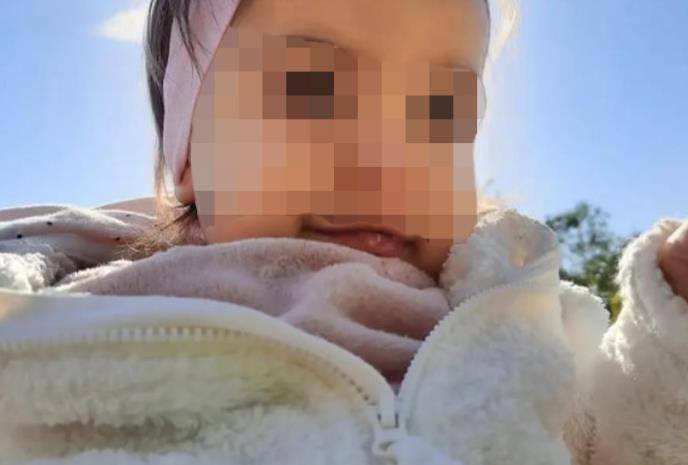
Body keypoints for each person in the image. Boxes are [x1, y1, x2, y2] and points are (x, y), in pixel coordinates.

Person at [0, 0, 686, 463]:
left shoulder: (508, 314)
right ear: (188, 158)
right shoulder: (73, 312)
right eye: (312, 89)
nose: (391, 157)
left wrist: (671, 336)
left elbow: (609, 442)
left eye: (440, 110)